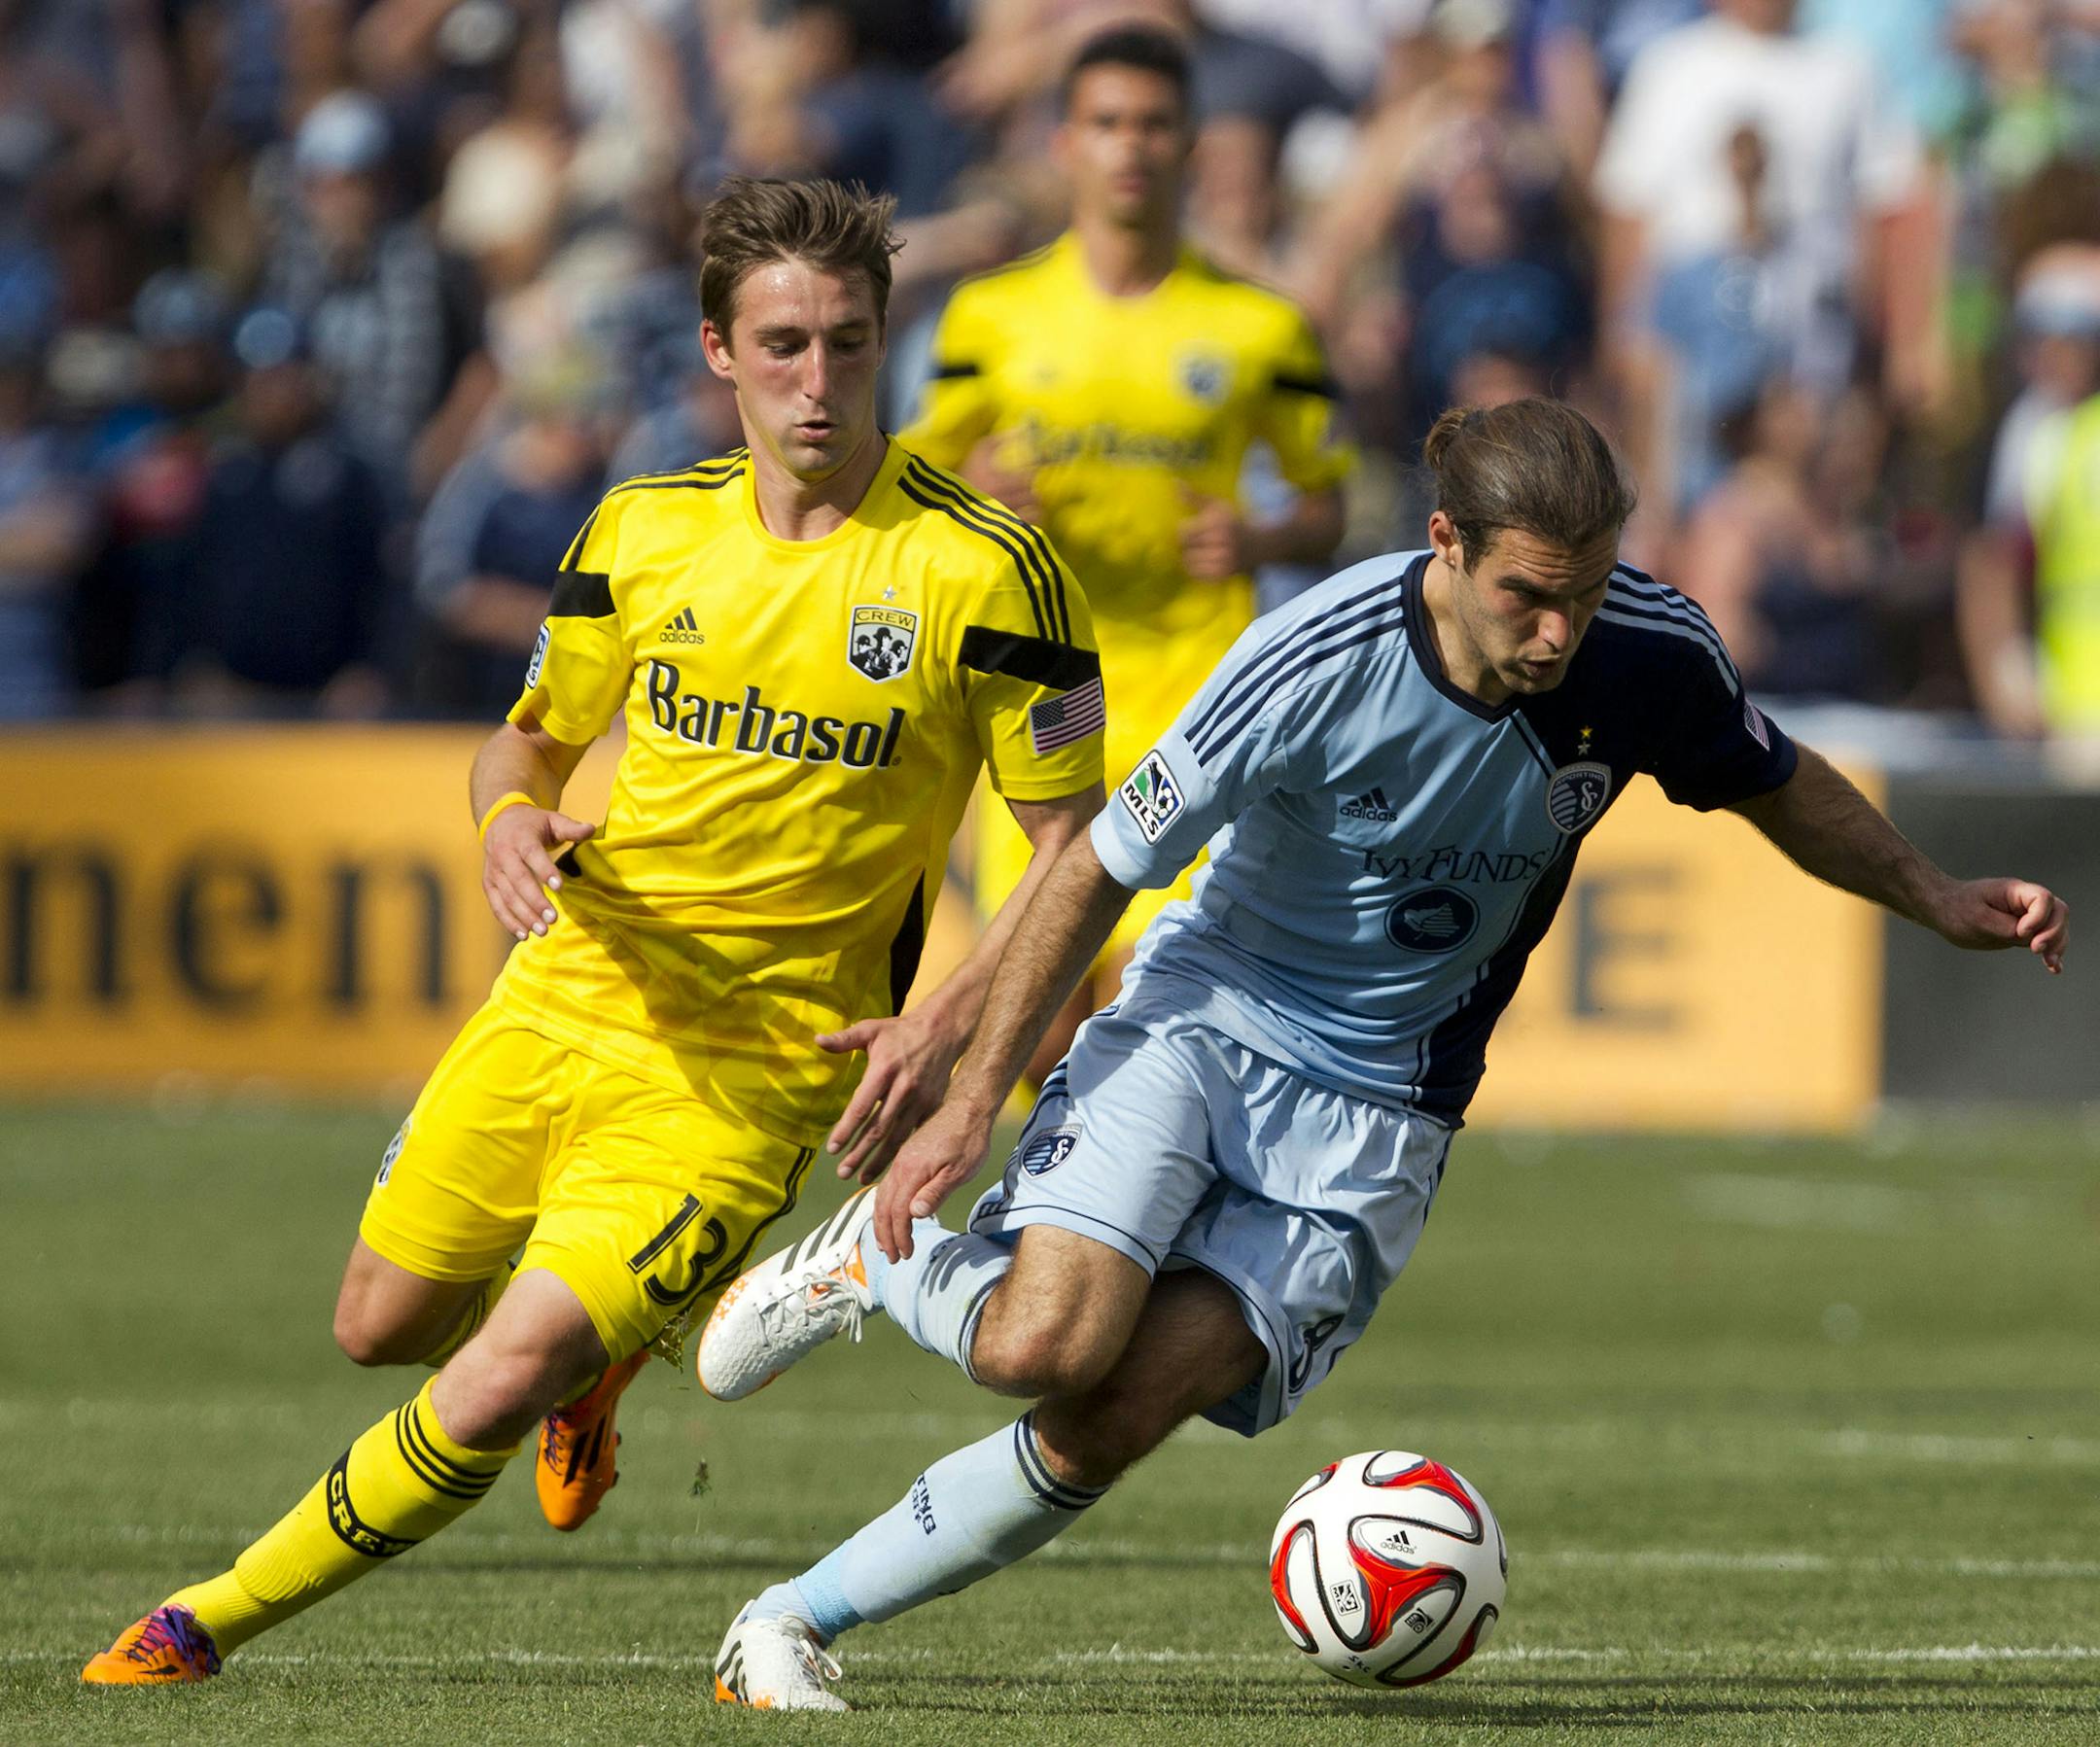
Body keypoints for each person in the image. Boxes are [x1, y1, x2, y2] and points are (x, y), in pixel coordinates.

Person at [696, 397, 2070, 1711]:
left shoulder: (1647, 650)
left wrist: (1934, 892)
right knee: (1044, 1342)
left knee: (1113, 1414)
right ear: (1446, 545)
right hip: (1209, 1019)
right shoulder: (1310, 657)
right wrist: (965, 1095)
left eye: (1584, 593)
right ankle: (873, 1256)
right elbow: (1094, 868)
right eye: (1528, 594)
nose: (1558, 630)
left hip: (1386, 1108)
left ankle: (789, 1621)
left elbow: (1776, 780)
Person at [80, 175, 1108, 1685]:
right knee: (381, 1323)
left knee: (494, 1377)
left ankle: (200, 1623)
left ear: (886, 339)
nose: (816, 382)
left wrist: (947, 1026)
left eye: (846, 342)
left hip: (748, 1078)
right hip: (567, 992)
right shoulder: (641, 531)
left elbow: (1079, 851)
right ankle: (601, 1357)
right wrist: (507, 823)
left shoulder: (989, 572)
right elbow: (527, 742)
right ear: (717, 351)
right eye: (780, 346)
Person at [904, 23, 1351, 1081]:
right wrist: (977, 496)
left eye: (1155, 125)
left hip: (1196, 698)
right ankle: (1028, 1244)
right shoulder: (992, 316)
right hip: (1044, 698)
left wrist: (1261, 532)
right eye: (1108, 123)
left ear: (1192, 147)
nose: (1131, 147)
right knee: (1033, 1025)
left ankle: (1110, 1242)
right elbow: (913, 486)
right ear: (1065, 143)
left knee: (1161, 1002)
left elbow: (1330, 508)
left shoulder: (1260, 328)